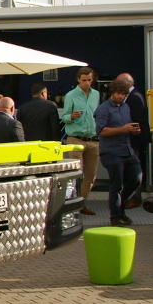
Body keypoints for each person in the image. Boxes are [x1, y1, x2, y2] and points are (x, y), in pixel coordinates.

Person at [95, 78, 143, 226]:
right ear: (112, 92)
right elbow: (101, 131)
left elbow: (127, 127)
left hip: (127, 149)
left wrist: (134, 131)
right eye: (118, 93)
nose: (120, 96)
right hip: (111, 151)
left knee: (137, 178)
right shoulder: (103, 108)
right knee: (117, 184)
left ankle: (120, 207)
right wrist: (123, 129)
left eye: (123, 94)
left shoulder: (125, 107)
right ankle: (116, 216)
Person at [62, 67, 100, 215]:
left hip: (93, 138)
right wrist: (72, 116)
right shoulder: (71, 95)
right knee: (76, 173)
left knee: (91, 174)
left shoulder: (95, 94)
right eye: (84, 80)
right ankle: (72, 204)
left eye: (89, 80)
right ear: (78, 79)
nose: (87, 83)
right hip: (76, 138)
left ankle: (81, 202)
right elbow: (64, 117)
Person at [116, 73, 150, 208]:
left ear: (127, 83)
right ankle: (131, 196)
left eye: (119, 83)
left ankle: (135, 197)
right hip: (130, 138)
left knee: (133, 169)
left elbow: (136, 119)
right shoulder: (130, 96)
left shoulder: (135, 97)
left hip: (134, 139)